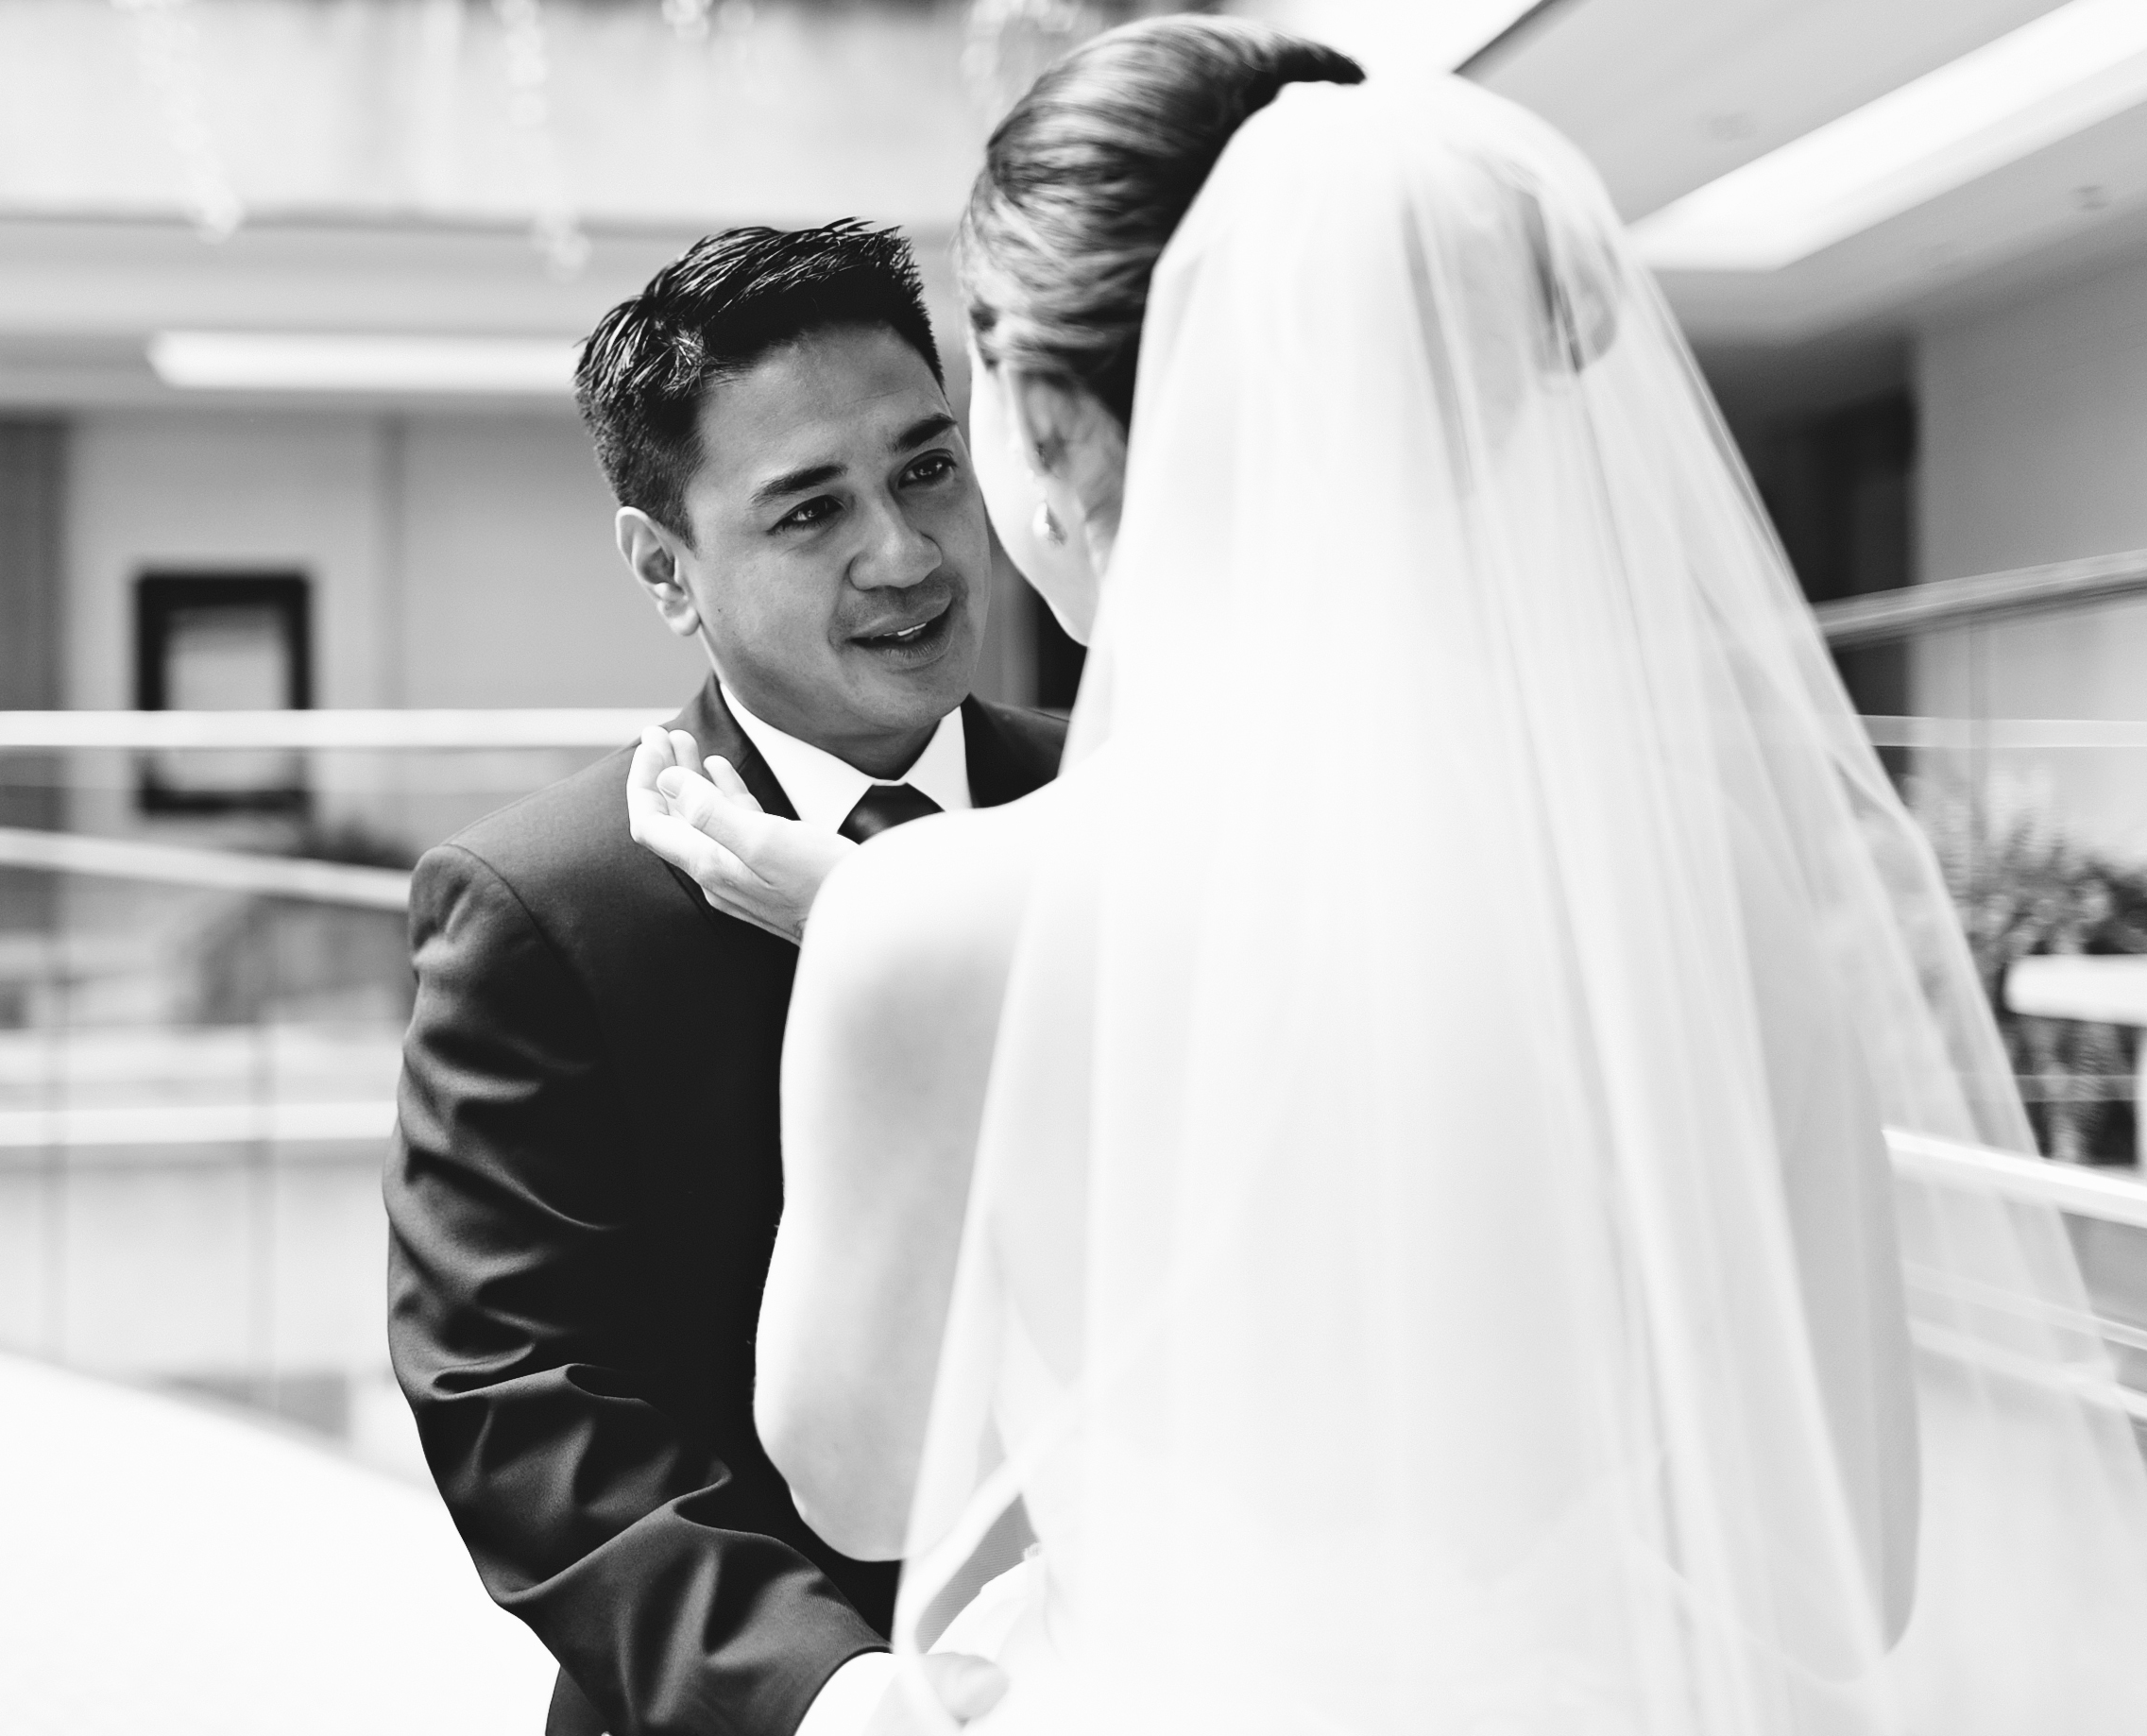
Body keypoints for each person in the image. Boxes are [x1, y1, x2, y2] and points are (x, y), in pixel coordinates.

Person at [633, 18, 2147, 1734]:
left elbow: (866, 1487)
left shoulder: (927, 920)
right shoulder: (1698, 879)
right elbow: (1838, 1575)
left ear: (1050, 423)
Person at [384, 220, 1066, 1736]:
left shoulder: (1129, 798)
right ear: (663, 567)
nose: (901, 552)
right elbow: (519, 1394)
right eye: (807, 510)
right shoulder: (542, 907)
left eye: (925, 469)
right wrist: (827, 1692)